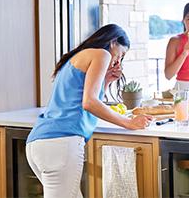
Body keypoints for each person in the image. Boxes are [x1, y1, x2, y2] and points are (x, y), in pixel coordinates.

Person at [26, 24, 152, 198]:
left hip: (39, 144)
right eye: (121, 55)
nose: (118, 61)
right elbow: (89, 102)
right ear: (113, 42)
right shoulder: (102, 54)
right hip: (60, 144)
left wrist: (106, 81)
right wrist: (128, 122)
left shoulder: (77, 57)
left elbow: (85, 99)